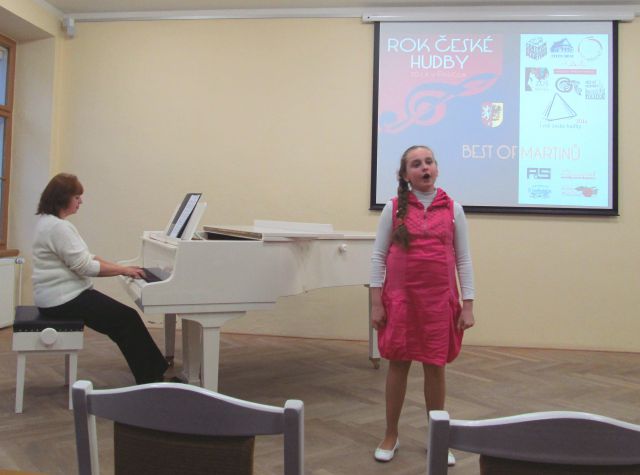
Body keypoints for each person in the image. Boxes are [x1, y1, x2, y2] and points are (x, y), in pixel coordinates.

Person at [370, 145, 475, 466]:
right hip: (402, 303)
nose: (424, 167)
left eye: (429, 162)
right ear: (405, 175)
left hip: (438, 304)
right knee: (398, 365)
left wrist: (468, 304)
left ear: (437, 168)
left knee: (435, 367)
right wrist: (376, 303)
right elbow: (378, 257)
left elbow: (463, 259)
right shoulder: (393, 208)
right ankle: (391, 434)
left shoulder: (454, 209)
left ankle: (436, 437)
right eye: (416, 164)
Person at [32, 173, 169, 384]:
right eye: (77, 197)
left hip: (60, 296)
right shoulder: (59, 227)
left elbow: (87, 257)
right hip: (62, 299)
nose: (81, 201)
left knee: (124, 320)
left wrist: (122, 268)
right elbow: (85, 266)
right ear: (62, 198)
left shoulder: (50, 222)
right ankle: (152, 380)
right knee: (126, 319)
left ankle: (154, 373)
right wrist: (123, 271)